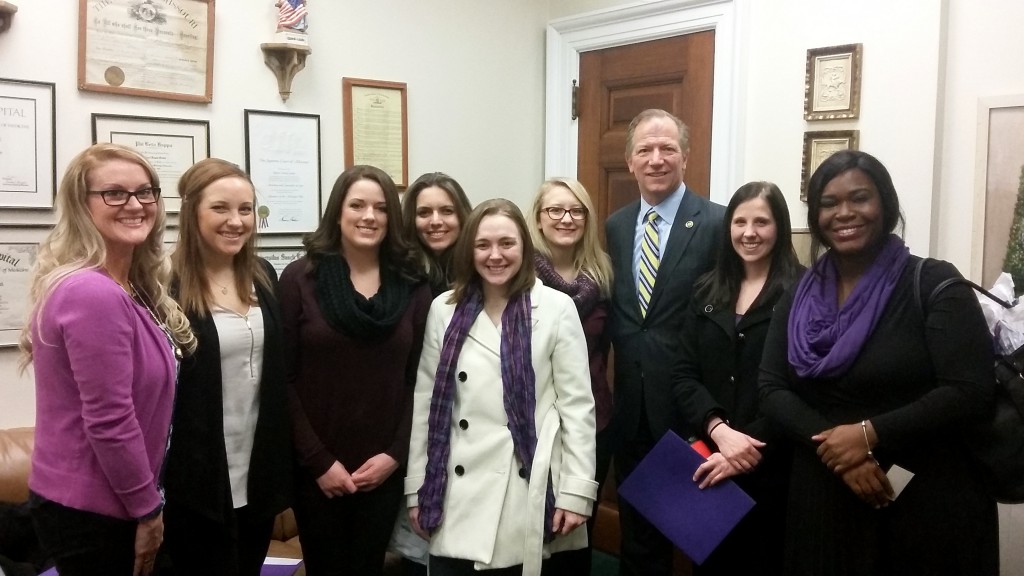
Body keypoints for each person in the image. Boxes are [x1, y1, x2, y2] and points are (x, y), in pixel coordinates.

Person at [758, 150, 999, 575]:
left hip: (924, 500)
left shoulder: (935, 284)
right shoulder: (798, 296)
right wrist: (839, 450)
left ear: (885, 204)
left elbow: (969, 391)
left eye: (860, 198)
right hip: (823, 499)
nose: (844, 213)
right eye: (829, 203)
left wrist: (869, 434)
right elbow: (772, 388)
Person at [20, 143, 195, 576]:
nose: (134, 204)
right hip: (96, 511)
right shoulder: (92, 292)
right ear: (83, 206)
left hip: (108, 501)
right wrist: (147, 511)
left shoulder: (129, 286)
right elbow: (110, 419)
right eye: (114, 193)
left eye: (145, 192)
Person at [405, 199, 598, 576]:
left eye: (507, 243)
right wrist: (417, 489)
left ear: (524, 247)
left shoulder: (556, 308)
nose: (495, 255)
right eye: (483, 245)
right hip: (453, 494)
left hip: (526, 490)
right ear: (469, 251)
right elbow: (426, 405)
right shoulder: (444, 309)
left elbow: (577, 407)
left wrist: (576, 492)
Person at [281, 165, 431, 575]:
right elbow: (283, 378)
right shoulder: (300, 279)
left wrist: (395, 456)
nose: (369, 216)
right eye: (358, 205)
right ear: (338, 212)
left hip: (383, 468)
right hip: (317, 468)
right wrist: (318, 461)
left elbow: (421, 380)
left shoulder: (414, 284)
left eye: (381, 208)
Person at [605, 108, 725, 575]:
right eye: (645, 150)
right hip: (631, 412)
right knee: (639, 542)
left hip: (691, 409)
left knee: (704, 536)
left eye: (667, 149)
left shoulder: (717, 224)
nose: (657, 159)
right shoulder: (616, 226)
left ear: (686, 157)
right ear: (630, 162)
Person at [160, 159, 292, 576]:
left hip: (257, 475)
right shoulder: (164, 282)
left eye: (246, 209)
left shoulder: (263, 276)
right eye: (221, 208)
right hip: (195, 481)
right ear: (192, 212)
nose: (236, 221)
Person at [671, 182, 803, 576]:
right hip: (710, 457)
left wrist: (747, 448)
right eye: (740, 221)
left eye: (761, 221)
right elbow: (683, 373)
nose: (749, 232)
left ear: (779, 227)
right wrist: (719, 431)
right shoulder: (706, 288)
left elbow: (805, 385)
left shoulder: (805, 291)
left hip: (775, 465)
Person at [528, 178, 613, 576]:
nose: (566, 218)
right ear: (539, 219)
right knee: (532, 535)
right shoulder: (518, 276)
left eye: (576, 210)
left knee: (577, 534)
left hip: (591, 424)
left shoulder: (603, 276)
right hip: (533, 424)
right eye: (555, 210)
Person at [402, 172, 473, 297]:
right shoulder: (399, 273)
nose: (436, 221)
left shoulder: (479, 270)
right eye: (424, 213)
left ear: (462, 216)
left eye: (447, 211)